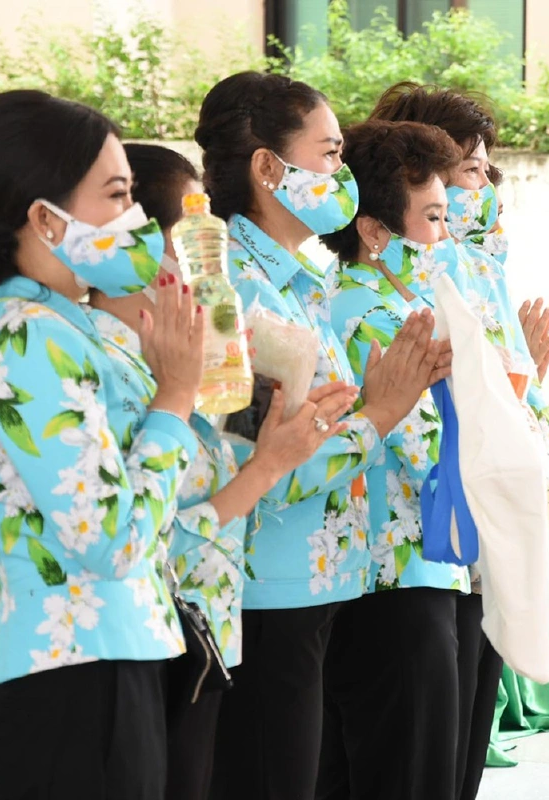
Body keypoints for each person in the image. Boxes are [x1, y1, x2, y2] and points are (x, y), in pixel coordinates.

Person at [0, 90, 201, 799]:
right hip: (72, 683)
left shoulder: (62, 322)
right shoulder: (28, 337)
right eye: (115, 196)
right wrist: (174, 396)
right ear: (46, 219)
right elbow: (109, 542)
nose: (135, 221)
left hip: (104, 666)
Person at [193, 72, 448, 799]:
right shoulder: (232, 288)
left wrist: (389, 398)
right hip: (265, 592)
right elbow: (265, 465)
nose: (342, 177)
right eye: (329, 156)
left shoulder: (301, 282)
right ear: (268, 168)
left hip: (320, 585)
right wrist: (382, 412)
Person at [86, 143, 359, 800]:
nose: (212, 266)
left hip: (207, 640)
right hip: (153, 648)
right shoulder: (105, 368)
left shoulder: (173, 362)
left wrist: (277, 423)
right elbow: (152, 535)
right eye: (194, 241)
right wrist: (268, 465)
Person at [364, 82, 549, 800]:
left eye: (485, 170)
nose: (485, 186)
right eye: (470, 170)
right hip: (421, 537)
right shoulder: (401, 278)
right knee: (420, 751)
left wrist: (529, 382)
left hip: (482, 522)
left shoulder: (476, 261)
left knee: (464, 738)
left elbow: (506, 392)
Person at [317, 119, 469, 800]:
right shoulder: (372, 313)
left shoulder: (394, 302)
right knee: (407, 771)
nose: (443, 233)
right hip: (394, 575)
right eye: (432, 216)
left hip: (394, 570)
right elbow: (421, 442)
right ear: (375, 231)